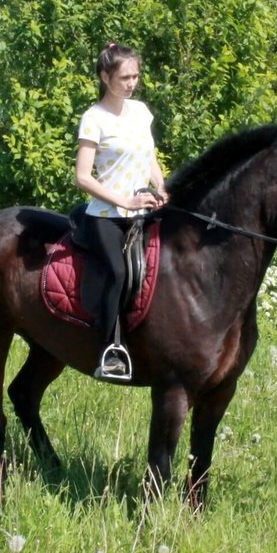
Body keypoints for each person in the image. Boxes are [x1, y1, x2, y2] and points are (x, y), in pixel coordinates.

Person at [74, 42, 167, 381]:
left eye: (135, 76)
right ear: (105, 76)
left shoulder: (141, 111)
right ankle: (109, 349)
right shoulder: (93, 119)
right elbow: (82, 177)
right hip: (105, 216)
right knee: (118, 272)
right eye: (125, 77)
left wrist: (161, 186)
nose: (131, 83)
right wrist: (123, 202)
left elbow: (149, 156)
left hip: (144, 208)